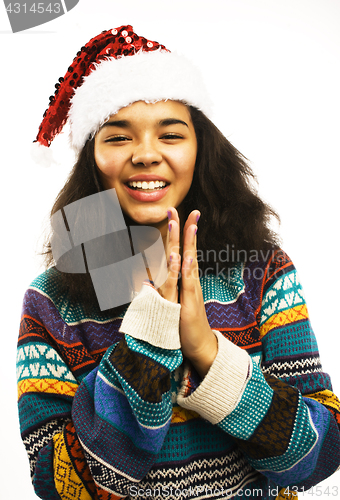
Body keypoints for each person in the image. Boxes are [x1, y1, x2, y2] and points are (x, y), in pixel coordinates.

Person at [17, 25, 340, 500]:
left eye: (170, 134)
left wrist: (209, 354)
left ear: (200, 150)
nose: (146, 155)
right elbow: (59, 487)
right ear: (91, 159)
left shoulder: (261, 270)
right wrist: (147, 340)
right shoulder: (51, 301)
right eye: (117, 137)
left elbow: (323, 453)